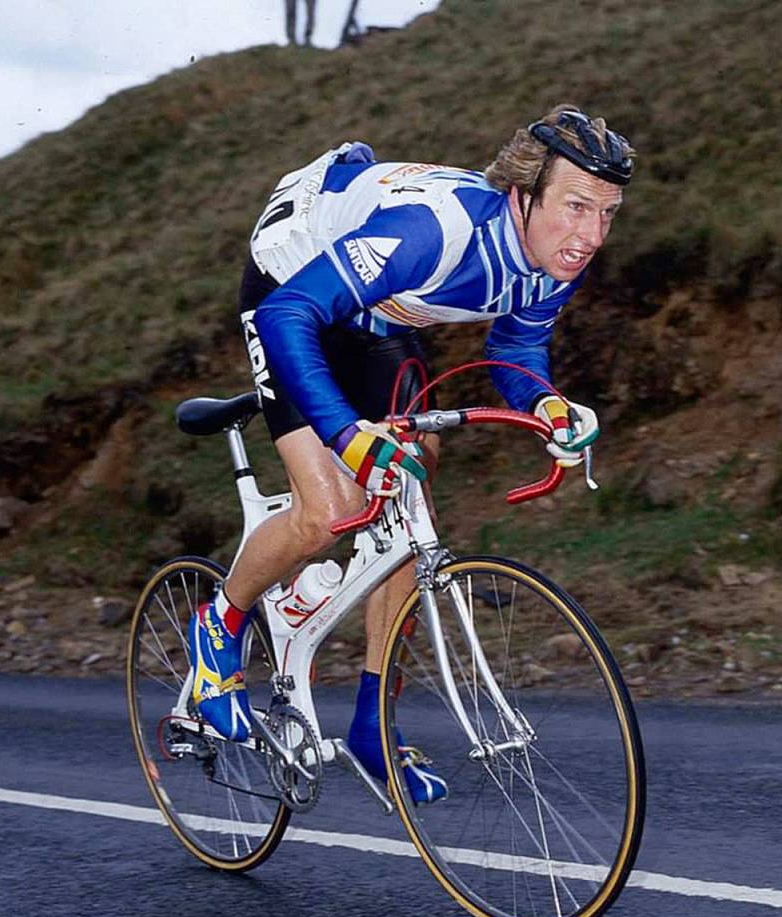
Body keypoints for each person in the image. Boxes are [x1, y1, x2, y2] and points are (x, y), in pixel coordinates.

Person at [188, 104, 634, 803]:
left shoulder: (557, 259)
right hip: (293, 280)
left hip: (380, 308)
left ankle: (372, 728)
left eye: (607, 213)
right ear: (522, 196)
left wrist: (547, 405)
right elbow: (288, 317)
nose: (590, 234)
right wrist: (346, 435)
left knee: (408, 484)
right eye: (577, 207)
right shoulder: (433, 234)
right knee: (333, 506)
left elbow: (515, 347)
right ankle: (220, 628)